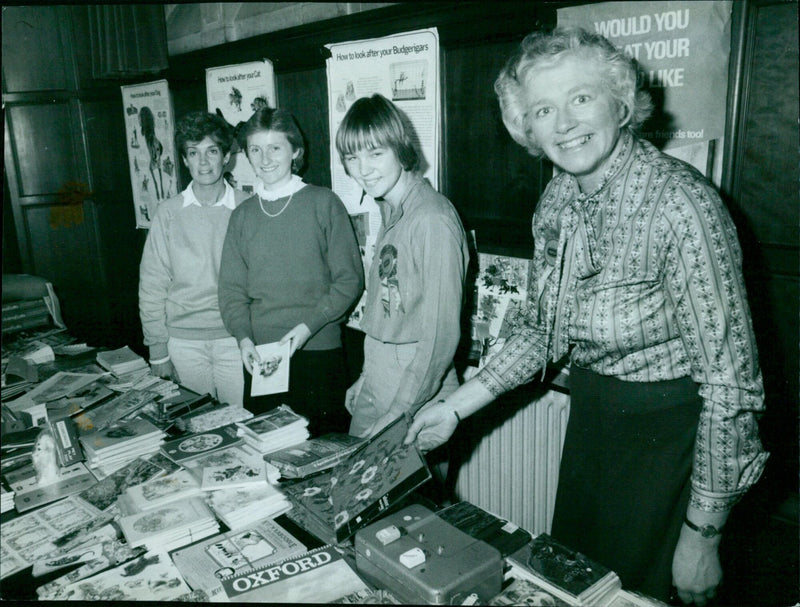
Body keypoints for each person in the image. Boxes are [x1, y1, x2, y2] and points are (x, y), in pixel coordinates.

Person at [404, 28, 768, 605]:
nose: (564, 123)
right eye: (544, 109)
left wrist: (703, 535)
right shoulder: (557, 199)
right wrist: (452, 406)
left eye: (581, 97)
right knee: (574, 586)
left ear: (619, 102)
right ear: (527, 127)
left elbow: (731, 389)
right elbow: (539, 329)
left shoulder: (683, 205)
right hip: (596, 425)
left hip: (674, 443)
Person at [218, 107, 363, 436]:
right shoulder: (242, 216)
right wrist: (243, 339)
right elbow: (230, 291)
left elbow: (349, 280)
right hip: (262, 355)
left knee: (322, 454)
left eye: (275, 148)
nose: (265, 159)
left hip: (317, 350)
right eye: (255, 149)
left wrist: (306, 327)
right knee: (269, 454)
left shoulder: (323, 203)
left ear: (295, 151)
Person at [335, 94, 469, 438]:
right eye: (352, 157)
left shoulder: (432, 218)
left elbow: (440, 336)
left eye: (376, 153)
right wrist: (367, 377)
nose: (363, 169)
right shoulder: (391, 209)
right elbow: (390, 310)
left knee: (407, 493)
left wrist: (399, 412)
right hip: (380, 376)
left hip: (418, 389)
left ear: (400, 149)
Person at [139, 111, 249, 406]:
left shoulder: (247, 208)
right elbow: (152, 287)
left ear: (227, 156)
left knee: (239, 423)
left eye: (211, 151)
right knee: (197, 427)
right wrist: (158, 351)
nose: (203, 162)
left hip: (237, 340)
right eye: (193, 153)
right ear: (185, 160)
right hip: (184, 343)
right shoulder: (169, 213)